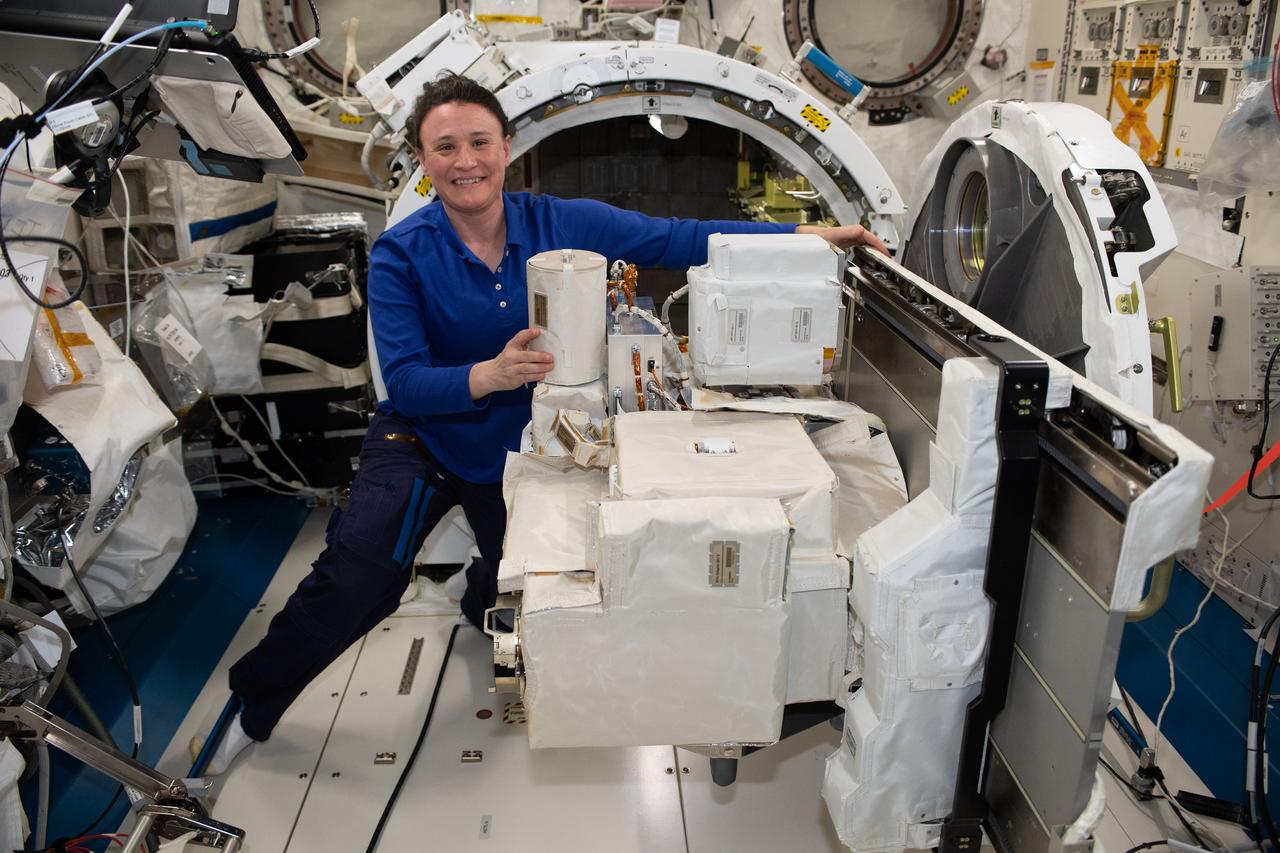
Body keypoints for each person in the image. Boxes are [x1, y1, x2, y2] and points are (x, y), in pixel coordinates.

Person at [201, 73, 888, 772]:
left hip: (520, 447)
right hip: (425, 434)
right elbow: (404, 380)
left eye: (478, 142)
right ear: (422, 158)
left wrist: (810, 237)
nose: (464, 160)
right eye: (445, 147)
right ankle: (252, 699)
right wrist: (489, 375)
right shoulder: (401, 252)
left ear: (506, 145)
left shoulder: (560, 223)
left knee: (527, 587)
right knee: (361, 574)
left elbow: (680, 238)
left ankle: (481, 594)